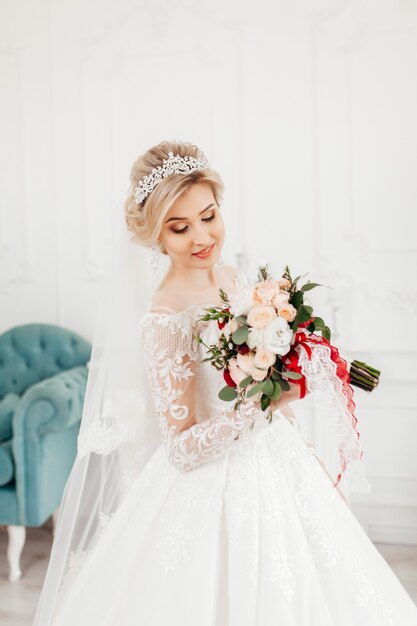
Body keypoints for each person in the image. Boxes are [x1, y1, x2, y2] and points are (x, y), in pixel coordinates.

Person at [33, 140, 417, 626]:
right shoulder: (164, 317)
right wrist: (263, 404)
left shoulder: (237, 280)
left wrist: (310, 458)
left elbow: (269, 379)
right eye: (180, 227)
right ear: (156, 237)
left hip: (279, 462)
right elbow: (182, 448)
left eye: (208, 215)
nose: (201, 236)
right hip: (211, 487)